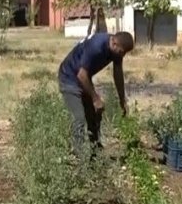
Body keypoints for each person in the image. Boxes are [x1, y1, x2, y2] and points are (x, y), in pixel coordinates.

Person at [57, 31, 134, 160]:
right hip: (69, 77)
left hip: (83, 78)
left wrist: (122, 100)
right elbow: (81, 75)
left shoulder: (116, 51)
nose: (123, 55)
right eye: (122, 52)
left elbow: (118, 74)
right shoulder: (97, 46)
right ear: (114, 42)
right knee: (79, 118)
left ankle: (95, 151)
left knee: (94, 113)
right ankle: (79, 158)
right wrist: (95, 98)